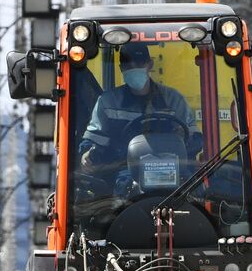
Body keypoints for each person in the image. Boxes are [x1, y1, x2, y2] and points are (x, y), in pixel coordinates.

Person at [79, 42, 195, 177]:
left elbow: (195, 138)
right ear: (121, 68)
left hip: (171, 168)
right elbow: (94, 140)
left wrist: (183, 138)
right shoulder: (108, 102)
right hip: (124, 171)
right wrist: (87, 155)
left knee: (193, 190)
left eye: (139, 64)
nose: (134, 69)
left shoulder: (174, 100)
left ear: (150, 64)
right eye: (128, 66)